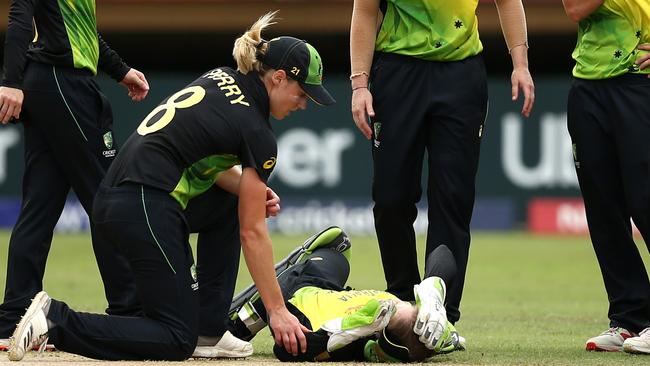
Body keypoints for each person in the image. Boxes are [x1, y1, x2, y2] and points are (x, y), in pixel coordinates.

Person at [5, 11, 335, 361]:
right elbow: (253, 232)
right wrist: (277, 311)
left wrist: (245, 189)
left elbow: (194, 154)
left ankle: (208, 330)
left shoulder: (219, 77)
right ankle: (55, 320)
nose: (303, 104)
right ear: (278, 78)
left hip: (118, 201)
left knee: (227, 202)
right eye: (302, 94)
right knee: (176, 337)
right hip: (144, 205)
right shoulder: (258, 132)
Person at [348, 0, 535, 335]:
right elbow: (364, 10)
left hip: (461, 74)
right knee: (391, 198)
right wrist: (359, 86)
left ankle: (443, 316)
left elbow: (507, 1)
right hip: (397, 71)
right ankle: (403, 303)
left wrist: (520, 64)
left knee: (453, 198)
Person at [0, 0, 150, 347]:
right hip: (61, 83)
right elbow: (21, 15)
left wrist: (121, 71)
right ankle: (129, 312)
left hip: (54, 83)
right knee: (107, 198)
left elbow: (83, 33)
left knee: (39, 207)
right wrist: (10, 80)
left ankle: (13, 318)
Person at [227, 226, 462, 362]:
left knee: (330, 244)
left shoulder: (349, 340)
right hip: (328, 286)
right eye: (411, 308)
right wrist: (433, 293)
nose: (399, 304)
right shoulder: (428, 327)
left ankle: (243, 322)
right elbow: (443, 254)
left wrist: (353, 328)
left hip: (296, 298)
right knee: (337, 242)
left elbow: (286, 350)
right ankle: (286, 276)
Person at [561, 0, 650, 354]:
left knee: (645, 199)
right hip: (588, 83)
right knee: (604, 210)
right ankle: (631, 317)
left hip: (640, 83)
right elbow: (575, 7)